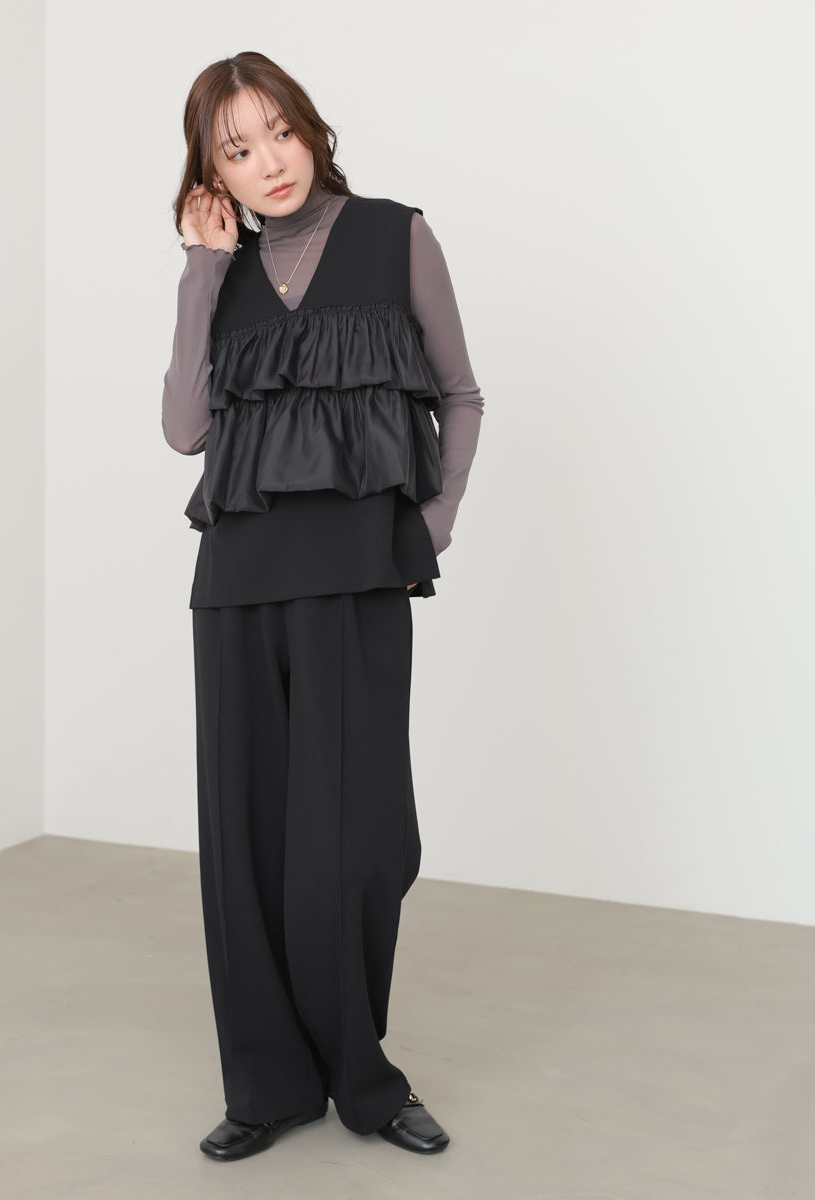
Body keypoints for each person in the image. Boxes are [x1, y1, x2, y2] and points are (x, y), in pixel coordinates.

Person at [162, 51, 484, 1163]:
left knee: (357, 842)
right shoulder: (223, 273)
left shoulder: (396, 236)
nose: (269, 162)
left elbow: (460, 393)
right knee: (245, 843)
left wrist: (430, 527)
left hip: (357, 577)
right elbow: (184, 429)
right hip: (237, 584)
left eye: (280, 132)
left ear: (311, 129)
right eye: (236, 150)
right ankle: (267, 1085)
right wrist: (201, 268)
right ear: (212, 175)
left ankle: (363, 1077)